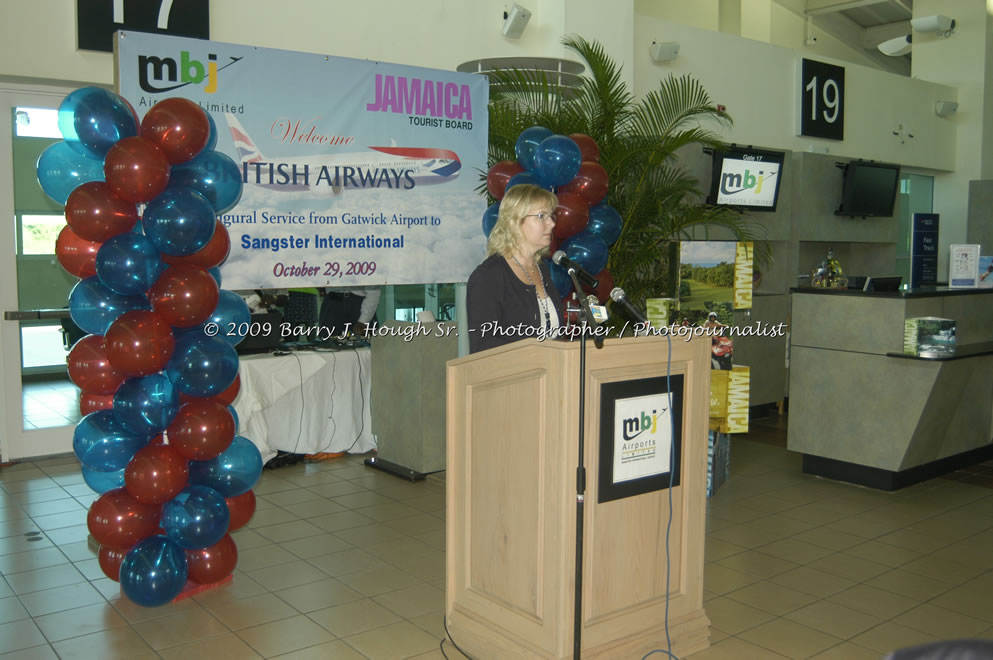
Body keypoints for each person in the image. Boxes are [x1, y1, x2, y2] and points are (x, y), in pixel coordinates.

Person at [467, 184, 564, 353]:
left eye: (551, 216)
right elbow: (482, 346)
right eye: (542, 216)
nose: (551, 224)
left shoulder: (542, 270)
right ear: (515, 222)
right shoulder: (489, 276)